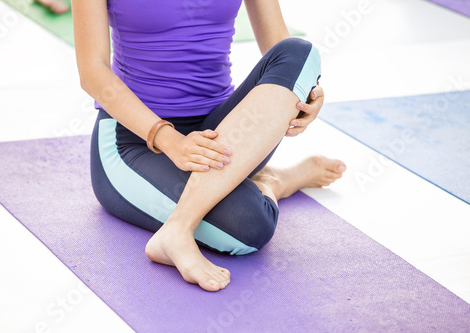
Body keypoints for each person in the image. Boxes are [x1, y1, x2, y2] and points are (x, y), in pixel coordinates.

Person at [72, 0, 346, 292]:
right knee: (252, 225)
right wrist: (170, 140)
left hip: (222, 134)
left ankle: (178, 228)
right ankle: (273, 182)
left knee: (299, 52)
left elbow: (281, 48)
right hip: (134, 141)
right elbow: (92, 72)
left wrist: (307, 92)